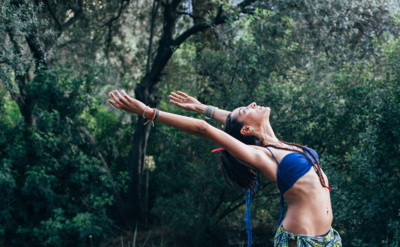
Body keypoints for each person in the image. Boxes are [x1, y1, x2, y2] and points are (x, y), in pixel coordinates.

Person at [108, 90, 342, 247]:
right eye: (244, 110)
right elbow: (203, 129)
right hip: (300, 240)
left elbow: (229, 120)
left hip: (329, 238)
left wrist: (201, 107)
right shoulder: (262, 156)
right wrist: (149, 112)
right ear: (246, 131)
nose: (251, 104)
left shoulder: (281, 146)